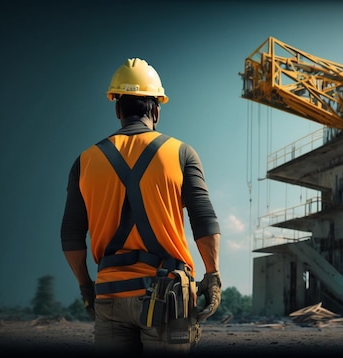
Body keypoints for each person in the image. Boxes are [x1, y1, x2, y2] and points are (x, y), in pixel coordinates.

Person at [60, 58, 222, 355]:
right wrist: (212, 275)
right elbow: (204, 219)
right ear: (156, 109)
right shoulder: (182, 153)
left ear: (117, 109)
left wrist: (86, 287)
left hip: (110, 297)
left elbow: (71, 235)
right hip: (168, 299)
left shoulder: (85, 161)